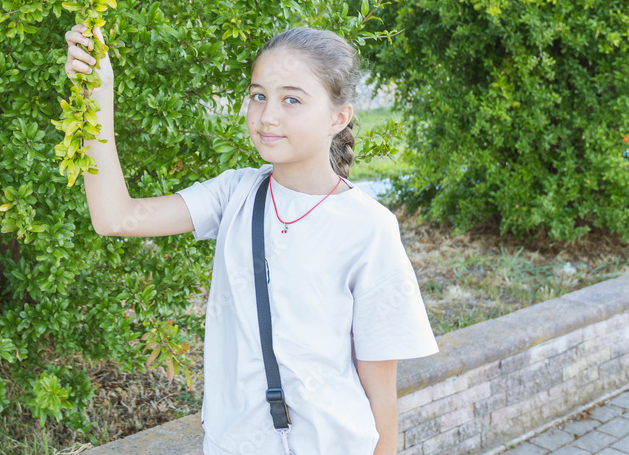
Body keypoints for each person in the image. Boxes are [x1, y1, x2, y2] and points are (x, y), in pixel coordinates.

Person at [64, 23, 439, 455]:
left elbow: (381, 392)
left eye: (291, 100)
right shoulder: (235, 194)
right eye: (259, 95)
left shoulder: (368, 228)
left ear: (339, 117)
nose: (267, 116)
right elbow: (117, 217)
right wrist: (98, 94)